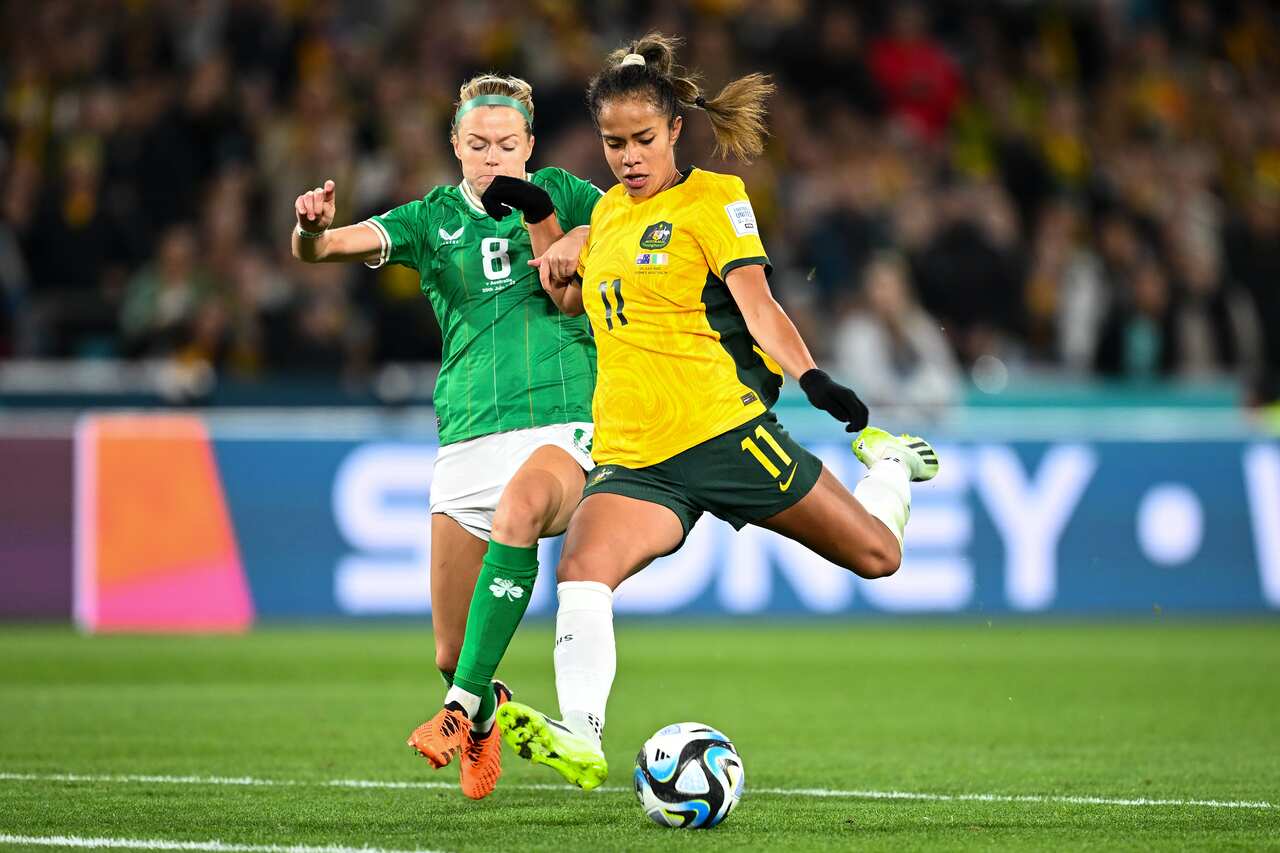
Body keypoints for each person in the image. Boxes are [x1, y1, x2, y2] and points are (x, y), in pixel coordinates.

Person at [493, 34, 940, 790]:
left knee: (877, 556)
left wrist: (814, 378)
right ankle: (583, 733)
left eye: (641, 139)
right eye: (612, 142)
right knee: (580, 566)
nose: (627, 156)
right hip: (636, 456)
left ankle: (891, 466)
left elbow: (759, 307)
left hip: (723, 433)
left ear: (673, 129)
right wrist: (543, 216)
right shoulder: (604, 216)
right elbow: (566, 296)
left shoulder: (713, 199)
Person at [291, 74, 602, 800]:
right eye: (477, 144)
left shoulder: (565, 191)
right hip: (466, 434)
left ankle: (456, 712)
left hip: (563, 420)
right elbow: (329, 248)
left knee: (521, 509)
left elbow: (618, 227)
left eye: (506, 143)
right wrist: (310, 229)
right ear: (455, 147)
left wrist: (580, 232)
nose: (492, 156)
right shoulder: (433, 219)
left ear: (529, 145)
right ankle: (485, 706)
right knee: (450, 648)